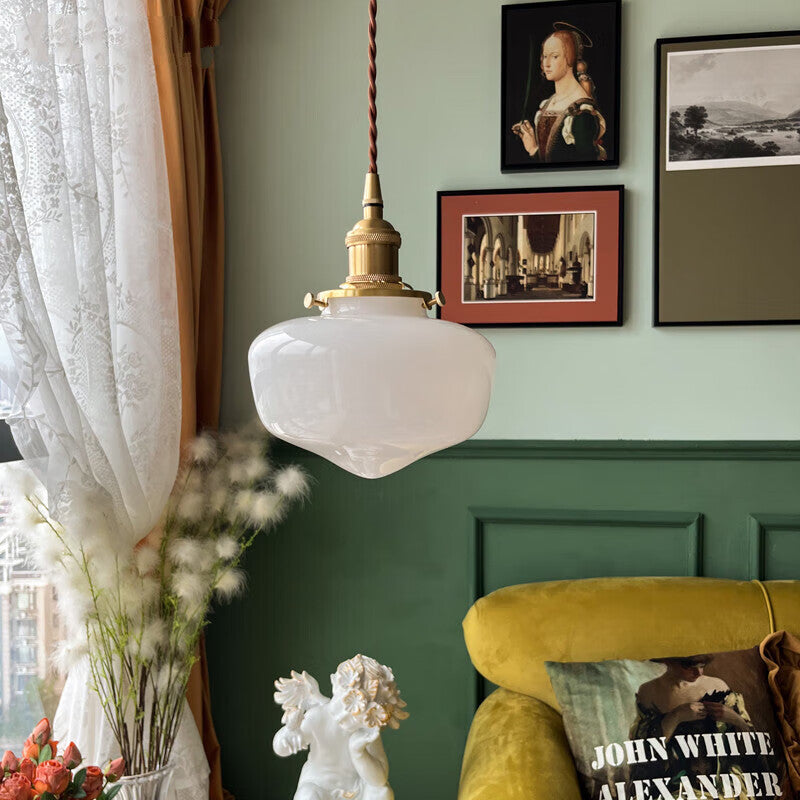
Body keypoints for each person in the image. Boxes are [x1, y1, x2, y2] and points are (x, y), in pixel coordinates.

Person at [629, 655, 767, 793]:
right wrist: (675, 717)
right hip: (676, 784)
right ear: (669, 661)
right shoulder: (650, 692)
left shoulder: (718, 686)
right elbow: (646, 752)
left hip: (721, 780)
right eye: (689, 666)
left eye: (702, 666)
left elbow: (750, 744)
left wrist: (734, 718)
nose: (699, 673)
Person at [512, 23, 607, 163]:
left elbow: (584, 169)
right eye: (544, 56)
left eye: (554, 56)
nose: (547, 63)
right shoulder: (548, 103)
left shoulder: (582, 111)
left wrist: (534, 150)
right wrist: (533, 147)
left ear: (570, 59)